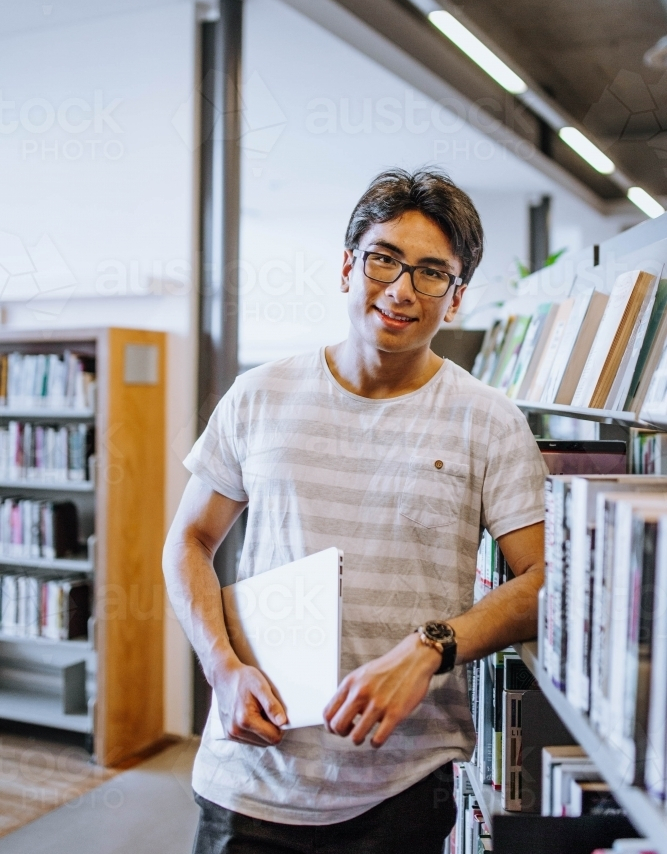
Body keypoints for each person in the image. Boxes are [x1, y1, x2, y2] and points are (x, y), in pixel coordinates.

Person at [163, 167, 547, 854]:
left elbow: (541, 585)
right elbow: (188, 539)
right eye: (383, 259)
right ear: (347, 266)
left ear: (454, 299)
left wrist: (431, 648)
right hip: (250, 776)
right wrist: (220, 665)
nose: (400, 290)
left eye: (431, 273)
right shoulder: (258, 396)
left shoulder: (489, 421)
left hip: (402, 788)